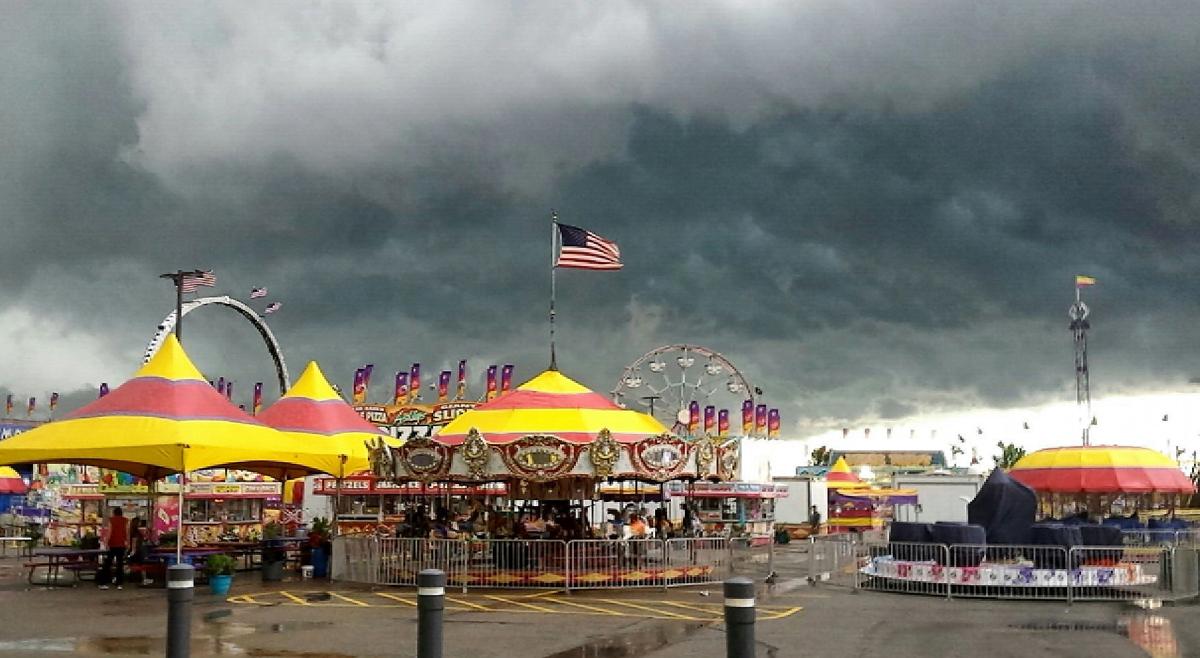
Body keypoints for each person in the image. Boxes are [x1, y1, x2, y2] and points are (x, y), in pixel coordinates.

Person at [99, 507, 129, 590]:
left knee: (108, 563)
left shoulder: (111, 520)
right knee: (120, 564)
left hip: (112, 544)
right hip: (122, 544)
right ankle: (119, 584)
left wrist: (106, 543)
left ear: (114, 513)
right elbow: (127, 532)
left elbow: (110, 532)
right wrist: (127, 543)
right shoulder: (125, 520)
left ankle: (103, 583)